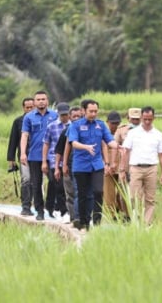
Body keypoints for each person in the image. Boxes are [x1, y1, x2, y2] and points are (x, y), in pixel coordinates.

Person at [68, 99, 118, 231]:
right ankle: (84, 221)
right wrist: (85, 147)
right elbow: (73, 143)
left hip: (96, 165)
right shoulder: (75, 125)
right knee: (83, 194)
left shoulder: (101, 125)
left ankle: (97, 221)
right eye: (91, 111)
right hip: (80, 166)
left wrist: (120, 147)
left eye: (96, 111)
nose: (94, 114)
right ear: (84, 110)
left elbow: (110, 141)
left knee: (98, 191)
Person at [120, 106, 162, 225]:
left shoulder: (158, 135)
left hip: (152, 168)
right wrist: (122, 170)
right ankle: (136, 219)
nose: (147, 122)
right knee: (133, 197)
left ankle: (147, 224)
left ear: (154, 118)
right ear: (141, 117)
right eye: (145, 119)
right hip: (135, 168)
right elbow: (125, 151)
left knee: (150, 199)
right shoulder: (133, 133)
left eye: (149, 119)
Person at [20, 91, 58, 221]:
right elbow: (24, 135)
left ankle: (50, 205)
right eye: (38, 99)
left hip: (52, 155)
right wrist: (23, 153)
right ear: (35, 102)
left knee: (54, 181)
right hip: (34, 156)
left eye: (43, 99)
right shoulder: (29, 117)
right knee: (36, 184)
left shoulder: (54, 115)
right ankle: (39, 210)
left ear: (47, 101)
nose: (41, 101)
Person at [108, 107, 142, 219]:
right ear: (128, 118)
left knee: (139, 193)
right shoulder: (122, 130)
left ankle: (139, 214)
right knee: (124, 192)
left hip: (141, 165)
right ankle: (127, 215)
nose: (135, 122)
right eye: (133, 119)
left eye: (137, 119)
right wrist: (112, 163)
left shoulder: (147, 130)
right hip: (126, 165)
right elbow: (114, 146)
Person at [55, 106, 83, 227]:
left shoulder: (86, 130)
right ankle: (73, 218)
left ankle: (83, 217)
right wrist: (59, 167)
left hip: (83, 167)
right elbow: (59, 151)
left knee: (82, 193)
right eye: (74, 116)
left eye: (79, 116)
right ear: (70, 118)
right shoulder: (66, 132)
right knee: (71, 193)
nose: (76, 118)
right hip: (68, 167)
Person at [6, 97, 34, 216]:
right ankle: (26, 206)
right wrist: (11, 158)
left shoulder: (40, 120)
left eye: (31, 107)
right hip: (24, 156)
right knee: (26, 179)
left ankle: (35, 204)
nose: (29, 109)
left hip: (38, 155)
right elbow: (13, 140)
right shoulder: (18, 121)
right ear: (23, 108)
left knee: (35, 181)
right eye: (27, 107)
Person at [42, 102, 70, 219]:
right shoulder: (51, 126)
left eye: (66, 115)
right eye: (62, 115)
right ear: (58, 114)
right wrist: (44, 161)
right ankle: (60, 210)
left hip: (68, 160)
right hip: (54, 159)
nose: (64, 117)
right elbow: (46, 144)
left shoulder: (72, 126)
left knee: (65, 186)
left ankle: (56, 207)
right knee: (57, 184)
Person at [103, 110, 122, 218]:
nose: (115, 125)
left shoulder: (123, 132)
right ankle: (112, 215)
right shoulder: (102, 132)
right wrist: (105, 164)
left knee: (122, 190)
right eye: (112, 123)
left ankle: (122, 209)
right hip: (107, 166)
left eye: (117, 123)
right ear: (107, 122)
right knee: (108, 192)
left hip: (120, 166)